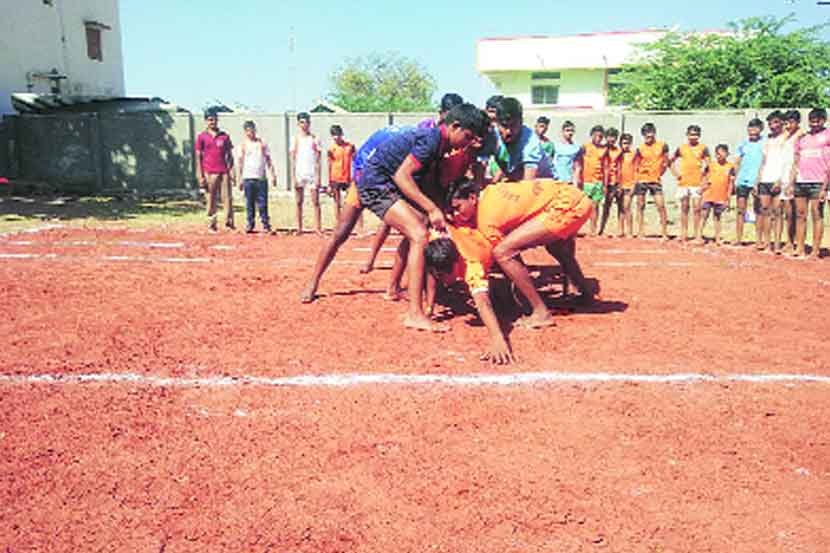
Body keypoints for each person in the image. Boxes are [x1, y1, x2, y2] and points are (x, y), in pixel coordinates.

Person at [299, 103, 491, 333]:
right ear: (454, 126)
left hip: (387, 183)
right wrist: (432, 209)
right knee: (416, 233)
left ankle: (404, 294)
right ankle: (414, 314)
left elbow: (426, 182)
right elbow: (402, 176)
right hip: (374, 182)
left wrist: (438, 210)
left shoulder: (440, 145)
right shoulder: (431, 140)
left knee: (419, 228)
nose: (466, 144)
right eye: (467, 137)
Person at [425, 178, 594, 362]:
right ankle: (584, 292)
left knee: (503, 253)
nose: (455, 215)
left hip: (566, 205)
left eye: (458, 208)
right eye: (451, 211)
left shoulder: (485, 221)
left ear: (472, 198)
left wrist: (516, 304)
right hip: (569, 195)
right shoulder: (489, 193)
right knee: (556, 247)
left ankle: (540, 312)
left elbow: (511, 259)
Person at [792, 107, 829, 259]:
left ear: (823, 120)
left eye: (817, 121)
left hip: (818, 182)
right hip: (801, 181)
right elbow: (796, 159)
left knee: (817, 215)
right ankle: (800, 247)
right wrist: (792, 181)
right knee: (800, 215)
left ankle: (815, 250)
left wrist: (825, 187)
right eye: (811, 121)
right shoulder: (803, 138)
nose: (814, 124)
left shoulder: (827, 136)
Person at [489, 97, 553, 182]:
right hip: (517, 179)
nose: (508, 131)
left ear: (521, 122)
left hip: (542, 183)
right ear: (497, 123)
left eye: (513, 125)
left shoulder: (531, 143)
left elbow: (528, 185)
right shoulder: (492, 137)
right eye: (504, 126)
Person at [195, 111, 235, 232]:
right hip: (209, 172)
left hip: (224, 172)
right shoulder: (202, 137)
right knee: (211, 199)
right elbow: (198, 157)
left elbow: (229, 156)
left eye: (215, 119)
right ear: (206, 121)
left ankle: (229, 224)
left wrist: (232, 172)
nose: (213, 122)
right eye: (210, 120)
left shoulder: (224, 136)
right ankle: (211, 224)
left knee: (227, 199)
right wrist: (200, 175)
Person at [669, 125, 710, 243]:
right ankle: (683, 233)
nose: (693, 137)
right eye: (691, 134)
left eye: (696, 135)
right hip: (684, 183)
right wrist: (676, 174)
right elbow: (670, 161)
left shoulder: (703, 148)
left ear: (699, 136)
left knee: (697, 209)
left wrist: (705, 179)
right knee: (684, 208)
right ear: (687, 135)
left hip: (697, 183)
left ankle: (697, 235)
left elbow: (709, 165)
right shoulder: (681, 148)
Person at [237, 120, 276, 234]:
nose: (251, 133)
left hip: (260, 178)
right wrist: (240, 179)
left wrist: (273, 174)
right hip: (248, 177)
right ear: (245, 132)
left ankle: (265, 223)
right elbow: (240, 162)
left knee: (263, 203)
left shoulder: (262, 144)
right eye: (248, 131)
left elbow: (268, 160)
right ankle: (250, 223)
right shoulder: (243, 145)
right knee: (249, 203)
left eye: (252, 130)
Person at [633, 122, 670, 240]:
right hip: (642, 179)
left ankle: (664, 233)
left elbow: (666, 161)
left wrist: (659, 174)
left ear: (654, 133)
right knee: (640, 205)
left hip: (655, 180)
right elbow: (636, 164)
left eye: (651, 134)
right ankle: (640, 232)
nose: (649, 137)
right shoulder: (640, 148)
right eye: (646, 136)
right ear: (643, 135)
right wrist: (636, 179)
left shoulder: (662, 145)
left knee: (661, 205)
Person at [757, 111, 787, 253]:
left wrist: (780, 180)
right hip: (765, 180)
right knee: (765, 212)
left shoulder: (786, 138)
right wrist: (758, 179)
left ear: (782, 122)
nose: (772, 126)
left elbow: (786, 161)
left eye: (775, 122)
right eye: (770, 123)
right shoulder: (767, 140)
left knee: (778, 212)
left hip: (778, 180)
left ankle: (777, 244)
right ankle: (767, 243)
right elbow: (763, 161)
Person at [734, 118, 765, 246]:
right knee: (740, 210)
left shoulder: (765, 143)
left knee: (758, 210)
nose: (752, 131)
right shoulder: (743, 144)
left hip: (757, 181)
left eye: (755, 128)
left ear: (760, 129)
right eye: (750, 128)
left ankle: (759, 240)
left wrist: (758, 180)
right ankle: (739, 239)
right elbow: (737, 161)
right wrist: (735, 178)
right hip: (742, 181)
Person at [776, 110, 803, 254]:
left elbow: (798, 159)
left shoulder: (801, 136)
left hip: (796, 177)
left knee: (795, 213)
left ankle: (795, 243)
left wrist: (793, 181)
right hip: (784, 177)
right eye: (786, 122)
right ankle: (788, 241)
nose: (788, 125)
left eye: (791, 122)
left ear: (798, 122)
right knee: (787, 212)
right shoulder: (786, 137)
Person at [291, 112, 322, 234]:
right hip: (300, 173)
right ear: (298, 123)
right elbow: (293, 159)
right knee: (299, 202)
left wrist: (318, 176)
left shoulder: (315, 139)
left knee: (316, 202)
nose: (305, 125)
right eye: (302, 122)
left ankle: (318, 228)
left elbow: (319, 160)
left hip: (312, 173)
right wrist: (293, 176)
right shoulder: (295, 139)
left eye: (307, 122)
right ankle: (299, 228)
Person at [699, 144, 735, 246]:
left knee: (717, 217)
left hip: (721, 196)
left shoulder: (730, 167)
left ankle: (718, 238)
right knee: (704, 215)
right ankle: (699, 236)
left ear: (727, 154)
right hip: (708, 195)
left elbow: (731, 184)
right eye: (717, 153)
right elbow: (703, 176)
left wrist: (728, 199)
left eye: (722, 153)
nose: (719, 155)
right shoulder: (711, 165)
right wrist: (703, 188)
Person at [327, 125, 356, 225]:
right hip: (335, 177)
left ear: (341, 135)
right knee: (337, 203)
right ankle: (338, 224)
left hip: (348, 178)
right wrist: (329, 182)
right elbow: (329, 165)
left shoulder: (350, 147)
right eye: (334, 135)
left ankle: (354, 225)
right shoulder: (331, 149)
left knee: (352, 202)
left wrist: (355, 176)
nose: (336, 137)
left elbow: (356, 160)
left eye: (338, 134)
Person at [581, 125, 606, 235]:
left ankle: (593, 230)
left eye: (600, 136)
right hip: (586, 181)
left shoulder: (604, 149)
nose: (598, 138)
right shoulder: (585, 147)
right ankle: (578, 230)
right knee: (584, 207)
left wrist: (604, 184)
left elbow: (605, 167)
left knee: (595, 206)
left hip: (598, 182)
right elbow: (578, 163)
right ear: (591, 135)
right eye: (596, 135)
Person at [599, 127, 624, 237]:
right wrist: (604, 184)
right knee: (606, 206)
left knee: (620, 206)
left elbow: (619, 167)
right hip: (604, 182)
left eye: (613, 137)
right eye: (609, 136)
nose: (611, 139)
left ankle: (620, 229)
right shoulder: (602, 149)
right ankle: (601, 228)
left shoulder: (618, 151)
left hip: (615, 182)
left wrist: (619, 183)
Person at [617, 133, 637, 238]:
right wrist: (618, 184)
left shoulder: (633, 154)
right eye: (624, 143)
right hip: (620, 184)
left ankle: (630, 231)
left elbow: (636, 169)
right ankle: (620, 230)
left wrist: (634, 184)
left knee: (627, 207)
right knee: (621, 208)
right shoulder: (619, 155)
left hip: (629, 184)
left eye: (628, 143)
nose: (626, 145)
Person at [552, 120, 583, 185]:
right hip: (556, 181)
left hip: (569, 181)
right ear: (562, 131)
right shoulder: (555, 146)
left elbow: (577, 167)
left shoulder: (577, 148)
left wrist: (575, 184)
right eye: (567, 130)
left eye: (572, 130)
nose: (570, 133)